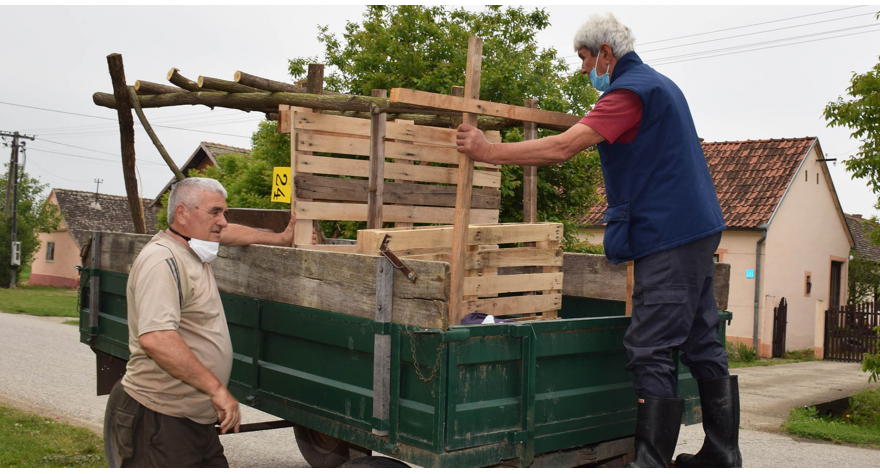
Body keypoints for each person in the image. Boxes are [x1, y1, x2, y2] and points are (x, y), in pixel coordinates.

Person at [456, 13, 741, 469]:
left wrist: (488, 152)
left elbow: (562, 147)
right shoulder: (659, 85)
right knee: (701, 340)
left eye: (585, 58)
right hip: (694, 231)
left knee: (649, 347)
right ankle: (722, 454)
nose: (584, 69)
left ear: (607, 53)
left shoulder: (629, 93)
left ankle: (651, 463)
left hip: (669, 236)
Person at [106, 177, 314, 468]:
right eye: (215, 212)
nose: (223, 221)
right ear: (182, 213)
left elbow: (233, 233)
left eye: (224, 213)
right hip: (160, 418)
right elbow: (156, 338)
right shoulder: (163, 261)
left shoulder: (193, 246)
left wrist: (280, 238)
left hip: (194, 419)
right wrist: (217, 390)